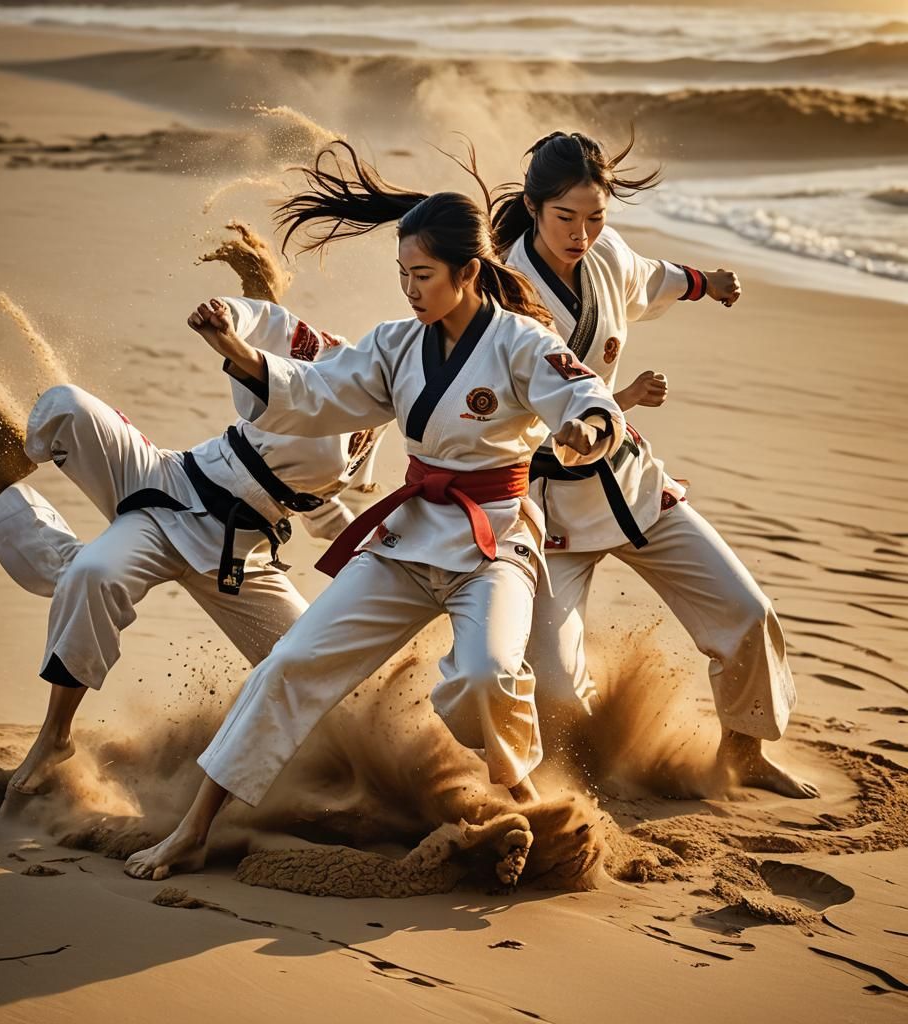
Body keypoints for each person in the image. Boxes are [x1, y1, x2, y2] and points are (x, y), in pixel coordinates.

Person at [124, 143, 625, 881]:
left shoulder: (523, 343)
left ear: (467, 271)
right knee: (291, 664)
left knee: (486, 676)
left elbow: (585, 397)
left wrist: (587, 429)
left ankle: (521, 797)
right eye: (402, 277)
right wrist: (241, 354)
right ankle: (196, 828)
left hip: (495, 546)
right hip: (408, 538)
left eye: (421, 277)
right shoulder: (397, 345)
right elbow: (318, 393)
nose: (410, 291)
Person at [493, 130, 815, 798]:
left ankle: (744, 752)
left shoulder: (605, 251)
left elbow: (652, 277)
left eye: (596, 217)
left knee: (746, 614)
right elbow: (497, 418)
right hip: (550, 509)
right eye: (565, 218)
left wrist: (709, 283)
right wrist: (619, 399)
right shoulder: (499, 293)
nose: (582, 234)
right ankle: (586, 784)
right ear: (531, 206)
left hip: (633, 483)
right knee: (551, 679)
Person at [0, 303, 381, 798]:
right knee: (67, 418)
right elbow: (266, 324)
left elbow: (321, 509)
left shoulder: (375, 429)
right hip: (171, 484)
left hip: (238, 554)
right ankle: (56, 736)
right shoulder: (324, 354)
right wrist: (228, 317)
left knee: (313, 669)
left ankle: (315, 776)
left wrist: (372, 553)